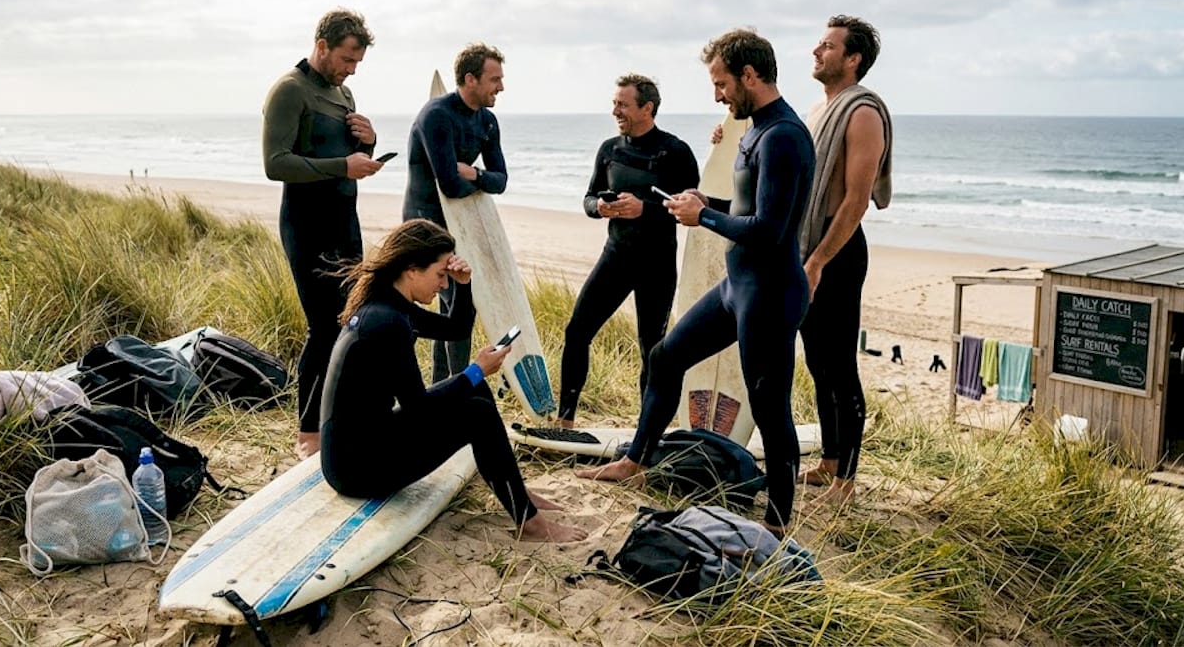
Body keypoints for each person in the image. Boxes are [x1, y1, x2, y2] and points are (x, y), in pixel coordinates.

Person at [577, 29, 815, 534]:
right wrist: (707, 204)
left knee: (770, 405)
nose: (718, 95)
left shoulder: (784, 137)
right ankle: (636, 461)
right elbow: (750, 210)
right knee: (665, 356)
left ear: (750, 75)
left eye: (722, 82)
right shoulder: (756, 130)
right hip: (739, 287)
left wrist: (701, 219)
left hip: (770, 292)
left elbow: (770, 232)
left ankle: (777, 522)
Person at [320, 219, 587, 543]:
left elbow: (455, 330)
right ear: (411, 269)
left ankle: (515, 489)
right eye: (440, 275)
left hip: (361, 446)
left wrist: (464, 283)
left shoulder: (390, 306)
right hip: (357, 470)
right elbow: (418, 408)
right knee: (478, 415)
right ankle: (531, 524)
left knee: (474, 389)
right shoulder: (388, 323)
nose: (443, 285)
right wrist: (474, 370)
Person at [262, 8, 386, 460]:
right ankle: (308, 433)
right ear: (322, 47)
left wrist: (368, 142)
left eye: (356, 62)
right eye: (347, 58)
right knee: (321, 326)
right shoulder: (288, 91)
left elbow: (348, 157)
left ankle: (341, 415)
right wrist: (343, 165)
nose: (352, 69)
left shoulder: (344, 93)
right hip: (306, 224)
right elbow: (276, 163)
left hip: (344, 223)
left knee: (348, 320)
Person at [558, 74, 699, 427]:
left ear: (646, 108)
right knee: (577, 331)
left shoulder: (675, 151)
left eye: (623, 104)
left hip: (657, 264)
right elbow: (589, 198)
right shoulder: (609, 150)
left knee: (652, 349)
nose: (615, 110)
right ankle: (564, 420)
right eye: (615, 103)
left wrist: (645, 209)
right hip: (616, 257)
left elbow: (691, 211)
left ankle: (645, 431)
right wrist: (599, 209)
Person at [796, 15, 892, 508]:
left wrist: (817, 262)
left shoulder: (862, 113)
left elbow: (855, 201)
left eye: (828, 46)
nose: (817, 50)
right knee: (816, 362)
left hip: (837, 249)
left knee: (839, 365)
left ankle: (847, 481)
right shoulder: (818, 110)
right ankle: (829, 461)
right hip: (807, 249)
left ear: (852, 59)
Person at [403, 43, 508, 382]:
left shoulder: (487, 121)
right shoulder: (437, 115)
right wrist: (476, 181)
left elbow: (501, 179)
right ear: (470, 79)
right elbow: (448, 185)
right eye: (494, 79)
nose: (501, 87)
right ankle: (458, 385)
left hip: (459, 224)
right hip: (424, 224)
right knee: (456, 303)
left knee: (457, 305)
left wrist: (474, 175)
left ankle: (444, 385)